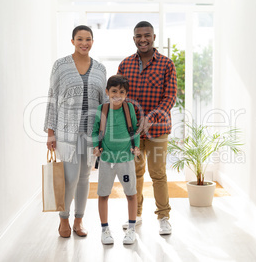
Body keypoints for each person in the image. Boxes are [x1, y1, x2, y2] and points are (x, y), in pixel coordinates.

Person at [44, 25, 107, 238]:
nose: (84, 43)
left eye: (88, 39)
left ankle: (79, 220)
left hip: (90, 134)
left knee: (85, 177)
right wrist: (50, 132)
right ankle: (64, 219)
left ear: (92, 41)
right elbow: (52, 98)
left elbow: (103, 102)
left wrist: (104, 134)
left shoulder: (100, 68)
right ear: (72, 41)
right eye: (80, 39)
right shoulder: (60, 65)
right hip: (65, 132)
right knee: (70, 178)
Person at [117, 21, 177, 235]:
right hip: (131, 131)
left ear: (153, 37)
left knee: (158, 173)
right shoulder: (125, 65)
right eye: (139, 36)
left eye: (147, 35)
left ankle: (163, 217)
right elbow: (119, 96)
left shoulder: (166, 64)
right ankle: (136, 214)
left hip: (158, 128)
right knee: (134, 172)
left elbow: (170, 96)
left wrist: (151, 117)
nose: (143, 39)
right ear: (134, 39)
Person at [92, 75, 141, 245]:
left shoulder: (129, 109)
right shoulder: (102, 109)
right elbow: (95, 131)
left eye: (121, 92)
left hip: (126, 159)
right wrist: (95, 146)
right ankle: (105, 229)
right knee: (103, 194)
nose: (117, 95)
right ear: (107, 92)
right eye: (114, 91)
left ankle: (131, 229)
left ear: (126, 94)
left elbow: (135, 130)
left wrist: (136, 146)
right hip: (106, 160)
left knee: (131, 194)